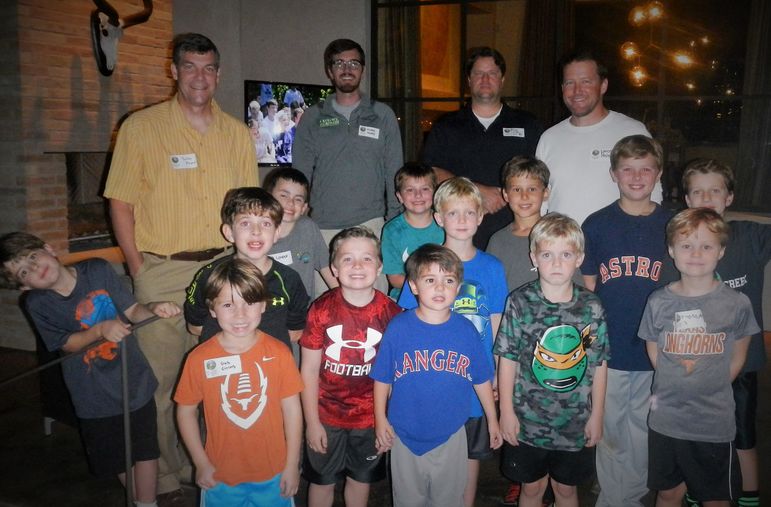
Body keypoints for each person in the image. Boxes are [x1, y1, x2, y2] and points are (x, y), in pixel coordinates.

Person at [102, 32, 257, 501]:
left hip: (223, 269)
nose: (199, 77)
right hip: (163, 270)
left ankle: (206, 462)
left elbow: (248, 206)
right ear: (173, 70)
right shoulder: (142, 127)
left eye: (208, 68)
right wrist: (137, 267)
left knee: (221, 370)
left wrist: (248, 265)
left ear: (219, 74)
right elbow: (120, 201)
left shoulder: (236, 132)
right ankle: (165, 473)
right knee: (162, 377)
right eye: (190, 66)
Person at [0, 232, 182, 507]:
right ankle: (138, 500)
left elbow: (133, 311)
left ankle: (147, 504)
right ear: (24, 286)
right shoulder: (37, 303)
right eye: (25, 271)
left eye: (33, 257)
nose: (36, 268)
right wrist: (99, 330)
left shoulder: (96, 269)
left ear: (48, 248)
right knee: (118, 456)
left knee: (145, 449)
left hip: (133, 380)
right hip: (94, 395)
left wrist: (155, 309)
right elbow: (67, 343)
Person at [397, 177, 507, 507]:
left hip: (476, 379)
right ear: (439, 217)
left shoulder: (491, 267)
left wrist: (497, 372)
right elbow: (406, 322)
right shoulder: (423, 264)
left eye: (469, 212)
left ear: (481, 216)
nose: (462, 220)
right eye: (453, 213)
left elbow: (497, 322)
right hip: (433, 377)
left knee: (470, 454)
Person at [639, 208, 758, 507]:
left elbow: (738, 355)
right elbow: (654, 349)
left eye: (706, 246)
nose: (696, 253)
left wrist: (709, 384)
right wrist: (677, 379)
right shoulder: (658, 302)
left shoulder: (736, 303)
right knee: (668, 493)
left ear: (721, 251)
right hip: (666, 421)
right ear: (671, 250)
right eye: (686, 245)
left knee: (715, 498)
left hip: (712, 423)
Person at [371, 243, 502, 507]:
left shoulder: (466, 331)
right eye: (430, 279)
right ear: (414, 286)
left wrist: (492, 420)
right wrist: (379, 418)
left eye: (448, 280)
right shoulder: (398, 328)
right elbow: (382, 378)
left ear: (458, 287)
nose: (440, 287)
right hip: (404, 435)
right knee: (408, 501)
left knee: (448, 500)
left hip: (451, 434)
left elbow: (480, 379)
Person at [581, 135, 672, 507]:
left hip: (657, 349)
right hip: (611, 346)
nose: (637, 177)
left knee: (643, 429)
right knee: (610, 427)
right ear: (614, 174)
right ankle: (615, 497)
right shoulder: (598, 224)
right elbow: (588, 292)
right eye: (628, 169)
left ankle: (627, 497)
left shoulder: (671, 222)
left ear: (659, 174)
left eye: (646, 169)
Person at [495, 213, 609, 507]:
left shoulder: (591, 307)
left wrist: (597, 414)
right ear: (534, 256)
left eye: (566, 254)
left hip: (574, 422)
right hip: (527, 422)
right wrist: (506, 411)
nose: (557, 263)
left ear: (580, 258)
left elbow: (599, 363)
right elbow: (507, 359)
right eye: (547, 254)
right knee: (531, 490)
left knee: (566, 491)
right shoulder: (519, 302)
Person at [175, 258, 303, 507]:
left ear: (264, 306)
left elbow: (292, 410)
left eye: (250, 303)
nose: (240, 314)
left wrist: (291, 465)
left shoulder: (279, 353)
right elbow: (186, 411)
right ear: (212, 309)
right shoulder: (199, 358)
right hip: (220, 475)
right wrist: (200, 462)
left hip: (274, 474)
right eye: (227, 304)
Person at [680, 160, 770, 507]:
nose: (706, 197)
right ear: (687, 199)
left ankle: (749, 496)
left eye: (715, 190)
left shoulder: (750, 236)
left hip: (742, 363)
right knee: (698, 433)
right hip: (696, 362)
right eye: (698, 191)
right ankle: (697, 486)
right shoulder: (678, 242)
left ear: (729, 197)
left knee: (743, 435)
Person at [299, 226, 401, 507]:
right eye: (347, 259)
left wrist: (385, 420)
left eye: (367, 258)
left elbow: (394, 374)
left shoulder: (392, 314)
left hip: (370, 419)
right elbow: (308, 370)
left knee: (360, 481)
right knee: (322, 483)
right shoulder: (320, 310)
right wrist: (312, 423)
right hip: (326, 416)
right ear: (333, 268)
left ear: (380, 266)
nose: (357, 266)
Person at [293, 38, 403, 296]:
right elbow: (299, 175)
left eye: (353, 62)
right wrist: (298, 223)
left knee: (372, 307)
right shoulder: (313, 117)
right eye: (339, 63)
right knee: (326, 307)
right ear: (329, 71)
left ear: (362, 69)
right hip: (323, 229)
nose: (347, 68)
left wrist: (393, 222)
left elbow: (394, 171)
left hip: (372, 225)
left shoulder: (382, 115)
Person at [422, 46, 542, 249]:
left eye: (492, 73)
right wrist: (476, 190)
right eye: (478, 73)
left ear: (502, 79)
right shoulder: (447, 126)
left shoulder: (528, 125)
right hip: (460, 236)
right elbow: (430, 173)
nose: (485, 79)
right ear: (469, 80)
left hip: (518, 236)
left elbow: (540, 178)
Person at [536, 48, 660, 225]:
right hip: (562, 249)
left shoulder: (632, 131)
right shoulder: (549, 138)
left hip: (618, 248)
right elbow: (540, 201)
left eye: (586, 81)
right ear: (562, 88)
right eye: (570, 83)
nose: (577, 90)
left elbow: (653, 193)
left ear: (603, 85)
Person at [184, 187, 309, 350]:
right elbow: (195, 327)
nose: (256, 231)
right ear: (229, 232)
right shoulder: (208, 275)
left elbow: (295, 332)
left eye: (265, 223)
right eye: (245, 223)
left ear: (276, 232)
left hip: (271, 366)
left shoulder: (289, 279)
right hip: (222, 367)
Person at [263, 167, 338, 298]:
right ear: (268, 198)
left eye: (298, 199)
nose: (290, 203)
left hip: (302, 312)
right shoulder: (257, 232)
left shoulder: (308, 228)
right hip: (267, 311)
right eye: (284, 195)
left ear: (304, 207)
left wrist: (343, 298)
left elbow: (325, 267)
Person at [381, 162, 445, 299]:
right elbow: (394, 278)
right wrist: (425, 286)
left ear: (435, 193)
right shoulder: (391, 231)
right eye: (410, 190)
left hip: (443, 292)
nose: (418, 195)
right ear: (399, 196)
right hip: (406, 296)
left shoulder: (446, 223)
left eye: (425, 189)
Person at [486, 155, 550, 292]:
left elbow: (575, 288)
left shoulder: (558, 236)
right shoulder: (497, 241)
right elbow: (490, 290)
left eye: (532, 189)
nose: (524, 196)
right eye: (516, 189)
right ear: (506, 195)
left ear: (545, 193)